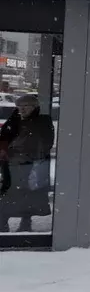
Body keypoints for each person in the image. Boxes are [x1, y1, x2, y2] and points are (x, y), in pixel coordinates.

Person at [0, 94, 55, 233]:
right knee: (8, 193)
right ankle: (3, 222)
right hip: (10, 164)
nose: (22, 109)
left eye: (26, 106)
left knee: (27, 194)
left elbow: (45, 142)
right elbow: (4, 137)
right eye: (19, 107)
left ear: (34, 107)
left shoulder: (42, 121)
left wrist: (30, 157)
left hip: (29, 165)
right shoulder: (14, 119)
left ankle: (25, 221)